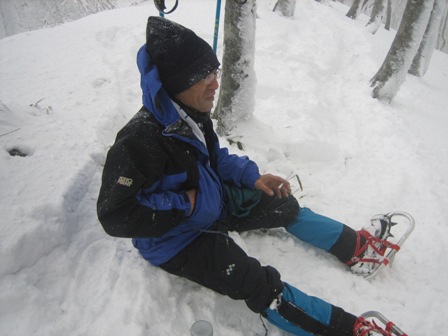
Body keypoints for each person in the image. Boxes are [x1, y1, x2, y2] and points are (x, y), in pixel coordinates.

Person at [97, 16, 400, 336]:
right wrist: (186, 204)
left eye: (214, 71)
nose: (215, 83)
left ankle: (357, 249)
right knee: (258, 283)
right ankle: (348, 330)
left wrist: (251, 177)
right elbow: (116, 214)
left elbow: (214, 157)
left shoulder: (191, 114)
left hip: (212, 201)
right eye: (204, 75)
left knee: (281, 202)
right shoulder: (139, 140)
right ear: (177, 82)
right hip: (178, 240)